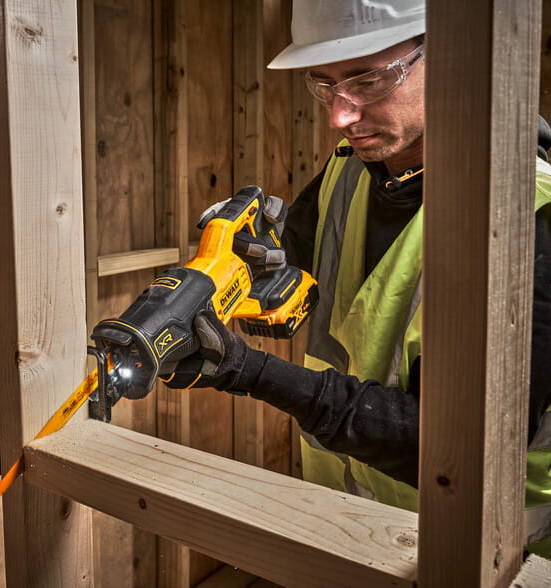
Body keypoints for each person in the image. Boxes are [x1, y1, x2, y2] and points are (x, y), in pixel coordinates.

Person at [160, 0, 551, 557]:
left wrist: (247, 371)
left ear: (457, 56)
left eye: (367, 81)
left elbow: (457, 446)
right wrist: (218, 284)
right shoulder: (349, 169)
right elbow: (291, 271)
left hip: (485, 551)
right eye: (325, 85)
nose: (339, 118)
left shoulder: (530, 216)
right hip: (349, 527)